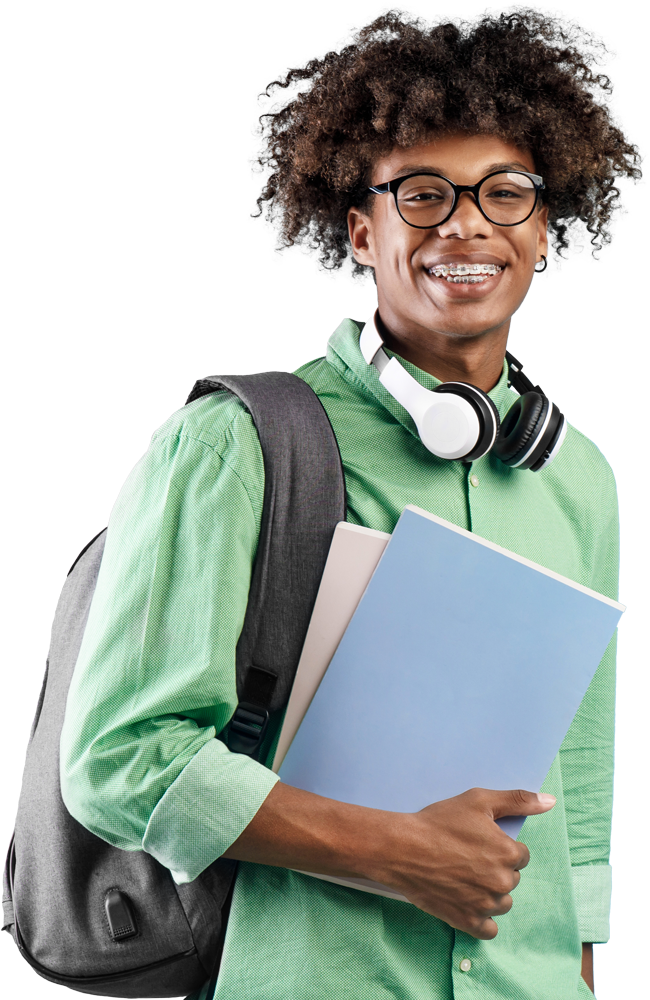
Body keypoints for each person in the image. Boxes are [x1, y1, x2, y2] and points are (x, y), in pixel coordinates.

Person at [60, 8, 641, 999]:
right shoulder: (236, 445)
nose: (465, 224)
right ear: (362, 231)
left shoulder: (575, 474)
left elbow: (574, 790)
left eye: (503, 194)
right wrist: (393, 849)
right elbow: (120, 758)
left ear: (542, 233)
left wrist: (575, 975)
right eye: (423, 195)